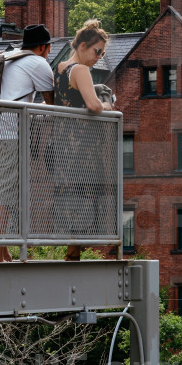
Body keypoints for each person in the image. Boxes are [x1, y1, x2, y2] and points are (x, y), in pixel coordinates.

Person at [0, 24, 55, 263]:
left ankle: (3, 250)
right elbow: (52, 103)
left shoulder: (4, 58)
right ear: (43, 47)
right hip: (7, 132)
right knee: (3, 196)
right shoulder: (38, 62)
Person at [53, 19, 114, 260]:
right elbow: (93, 105)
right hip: (81, 146)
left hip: (62, 143)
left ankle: (71, 253)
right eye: (96, 51)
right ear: (82, 46)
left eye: (102, 52)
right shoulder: (80, 70)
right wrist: (108, 106)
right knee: (83, 196)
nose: (99, 56)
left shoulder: (60, 69)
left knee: (70, 197)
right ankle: (73, 257)